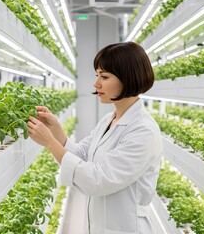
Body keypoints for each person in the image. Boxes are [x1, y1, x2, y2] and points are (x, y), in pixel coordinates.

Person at [27, 42, 163, 234]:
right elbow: (83, 154)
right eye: (97, 75)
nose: (96, 83)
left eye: (104, 76)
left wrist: (50, 143)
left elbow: (98, 180)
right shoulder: (110, 119)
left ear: (128, 78)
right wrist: (56, 129)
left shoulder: (143, 131)